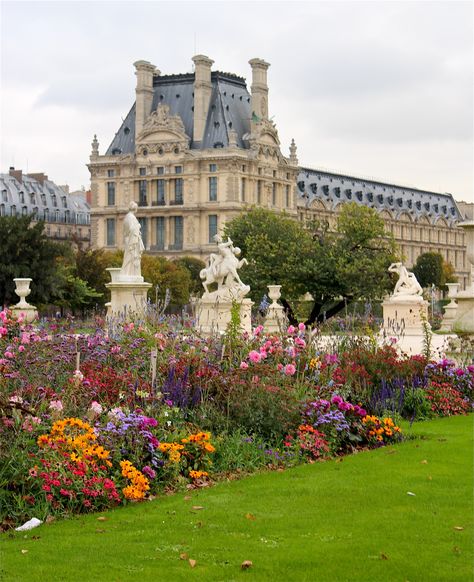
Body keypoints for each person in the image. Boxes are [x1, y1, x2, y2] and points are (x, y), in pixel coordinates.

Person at [121, 201, 145, 278]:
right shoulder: (131, 217)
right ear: (135, 208)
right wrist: (138, 226)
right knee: (130, 257)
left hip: (129, 239)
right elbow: (132, 229)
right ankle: (128, 274)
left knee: (129, 257)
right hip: (132, 240)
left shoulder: (127, 217)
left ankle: (128, 273)